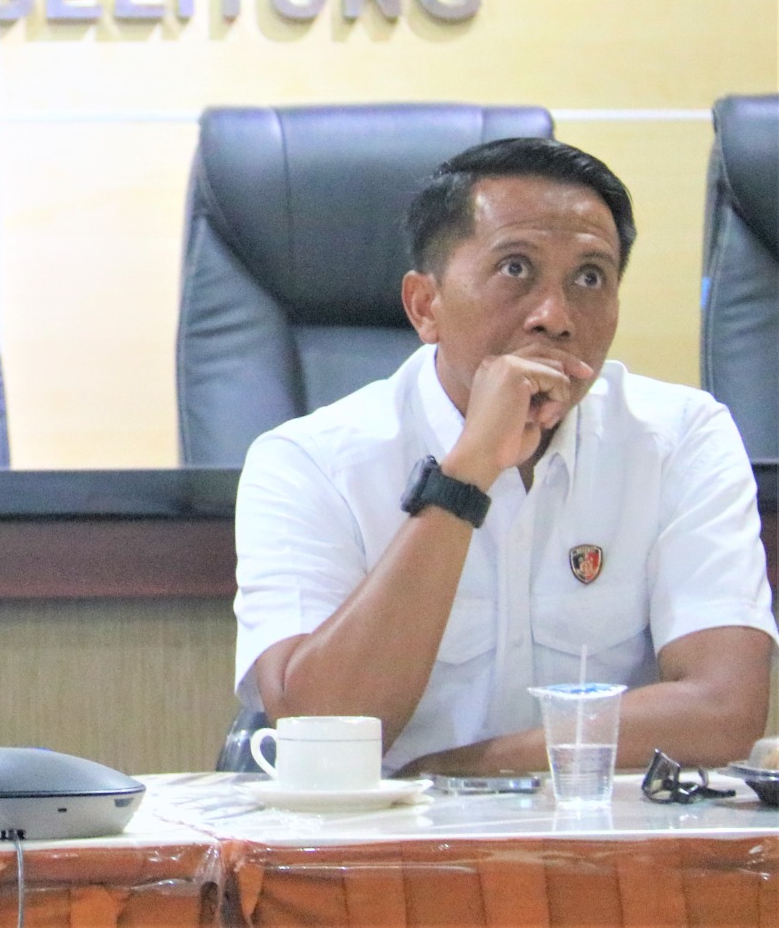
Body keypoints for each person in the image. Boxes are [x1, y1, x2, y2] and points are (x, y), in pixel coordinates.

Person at [234, 138, 777, 777]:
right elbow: (318, 729)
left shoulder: (680, 437)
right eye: (515, 269)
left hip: (600, 832)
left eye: (590, 277)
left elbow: (723, 710)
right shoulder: (308, 462)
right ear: (425, 306)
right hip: (386, 833)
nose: (555, 317)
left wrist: (465, 772)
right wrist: (466, 472)